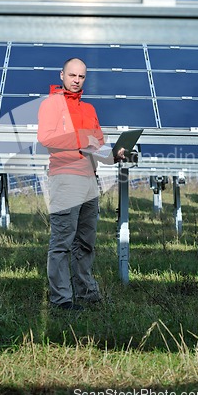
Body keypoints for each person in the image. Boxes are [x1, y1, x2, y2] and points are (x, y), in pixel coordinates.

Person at [37, 57, 124, 311]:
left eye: (81, 77)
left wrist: (114, 156)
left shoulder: (89, 110)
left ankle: (86, 292)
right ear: (62, 74)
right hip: (65, 177)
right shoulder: (52, 104)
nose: (76, 81)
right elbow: (47, 139)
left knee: (86, 241)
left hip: (89, 179)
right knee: (62, 241)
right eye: (72, 75)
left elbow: (98, 146)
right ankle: (61, 299)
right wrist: (82, 138)